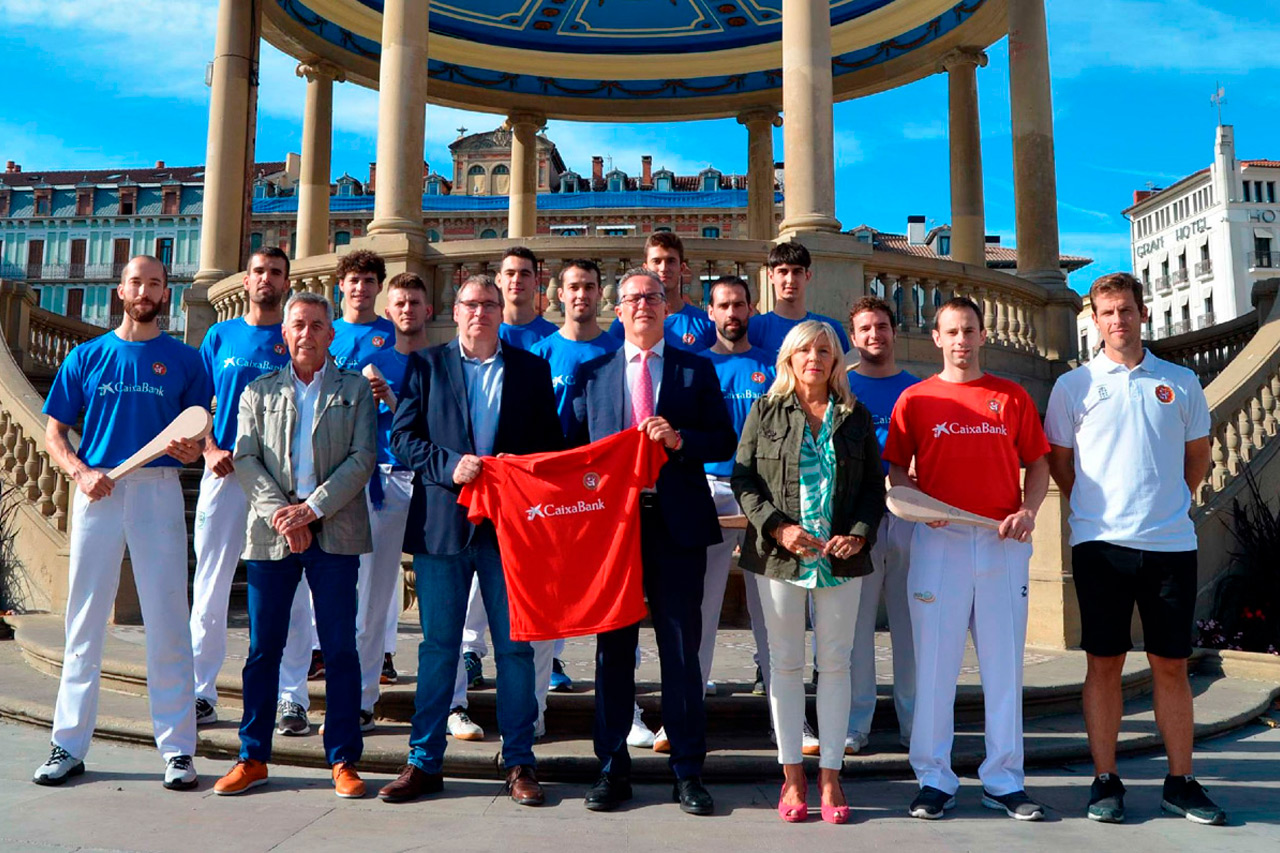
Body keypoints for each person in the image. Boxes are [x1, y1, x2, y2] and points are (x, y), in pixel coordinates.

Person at [1045, 272, 1224, 826]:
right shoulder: (1072, 387)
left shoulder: (1180, 381)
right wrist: (1102, 511)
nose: (1117, 321)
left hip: (1170, 543)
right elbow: (1061, 463)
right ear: (1093, 321)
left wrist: (1164, 504)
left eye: (1125, 310)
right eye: (1106, 313)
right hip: (1100, 547)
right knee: (1104, 663)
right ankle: (1105, 781)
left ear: (1142, 313)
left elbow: (1197, 456)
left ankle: (1181, 781)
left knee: (1171, 664)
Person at [378, 274, 563, 806]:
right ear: (453, 312)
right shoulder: (427, 365)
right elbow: (403, 438)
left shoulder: (531, 370)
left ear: (503, 311)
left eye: (489, 303)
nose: (480, 311)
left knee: (515, 650)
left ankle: (520, 761)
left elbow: (548, 451)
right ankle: (423, 762)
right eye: (470, 304)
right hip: (443, 528)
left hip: (509, 533)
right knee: (438, 648)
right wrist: (447, 466)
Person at [34, 255, 211, 790]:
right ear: (121, 290)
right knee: (84, 619)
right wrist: (81, 472)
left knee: (167, 620)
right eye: (136, 281)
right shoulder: (86, 357)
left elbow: (199, 439)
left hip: (157, 492)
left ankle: (178, 750)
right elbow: (54, 433)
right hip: (99, 492)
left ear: (165, 293)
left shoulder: (185, 360)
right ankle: (67, 744)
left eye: (154, 282)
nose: (144, 289)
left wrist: (189, 452)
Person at [569, 268, 737, 816]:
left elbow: (724, 437)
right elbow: (568, 454)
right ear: (617, 310)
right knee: (612, 653)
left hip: (677, 528)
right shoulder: (591, 374)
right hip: (611, 534)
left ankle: (688, 771)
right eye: (632, 297)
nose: (643, 304)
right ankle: (612, 769)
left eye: (653, 296)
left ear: (668, 306)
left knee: (680, 654)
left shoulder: (696, 370)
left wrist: (682, 439)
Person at [883, 297, 1049, 822]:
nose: (960, 340)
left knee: (1003, 667)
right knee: (934, 667)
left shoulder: (1011, 396)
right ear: (936, 337)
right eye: (951, 331)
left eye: (969, 330)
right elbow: (897, 472)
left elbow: (1038, 464)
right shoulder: (915, 398)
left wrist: (1029, 508)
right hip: (939, 543)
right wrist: (920, 507)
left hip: (1002, 542)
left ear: (982, 336)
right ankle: (934, 778)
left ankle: (1004, 780)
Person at [212, 291, 376, 799]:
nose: (306, 333)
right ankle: (252, 756)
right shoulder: (257, 392)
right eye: (297, 325)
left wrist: (312, 509)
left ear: (332, 334)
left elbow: (362, 457)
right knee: (264, 649)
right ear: (285, 334)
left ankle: (344, 758)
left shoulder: (355, 390)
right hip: (272, 532)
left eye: (316, 325)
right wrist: (286, 517)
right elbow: (245, 458)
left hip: (336, 528)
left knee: (341, 649)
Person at [732, 320, 884, 824]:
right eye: (804, 350)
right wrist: (778, 529)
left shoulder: (855, 416)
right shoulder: (765, 411)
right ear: (789, 359)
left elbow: (871, 487)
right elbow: (745, 478)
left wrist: (859, 532)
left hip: (841, 558)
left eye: (824, 350)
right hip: (781, 556)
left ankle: (831, 776)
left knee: (836, 664)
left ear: (837, 360)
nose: (814, 358)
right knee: (786, 664)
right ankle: (792, 775)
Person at [188, 247, 311, 732]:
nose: (266, 280)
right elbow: (195, 405)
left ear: (286, 283)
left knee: (292, 591)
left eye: (276, 273)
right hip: (226, 474)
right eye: (258, 272)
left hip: (283, 484)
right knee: (212, 585)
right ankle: (200, 692)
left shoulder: (295, 337)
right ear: (245, 282)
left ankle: (291, 697)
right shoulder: (220, 335)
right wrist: (208, 448)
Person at [529, 258, 625, 701]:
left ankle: (620, 697)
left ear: (600, 292)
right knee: (546, 590)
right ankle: (541, 688)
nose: (582, 295)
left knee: (609, 593)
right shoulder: (539, 354)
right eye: (574, 287)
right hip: (548, 489)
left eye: (589, 286)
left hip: (600, 489)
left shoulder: (617, 353)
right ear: (558, 294)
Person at [356, 272, 433, 731]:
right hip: (383, 483)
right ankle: (364, 697)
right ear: (389, 313)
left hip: (432, 484)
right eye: (400, 303)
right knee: (372, 598)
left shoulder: (443, 363)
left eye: (415, 302)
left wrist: (393, 397)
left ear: (428, 310)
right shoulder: (372, 360)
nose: (407, 310)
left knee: (447, 601)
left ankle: (454, 699)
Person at [844, 296, 920, 754]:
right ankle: (858, 723)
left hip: (909, 518)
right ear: (853, 338)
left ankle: (915, 725)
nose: (875, 335)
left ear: (895, 331)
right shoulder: (841, 388)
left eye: (882, 326)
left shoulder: (917, 390)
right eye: (866, 328)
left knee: (911, 626)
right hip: (856, 522)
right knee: (856, 628)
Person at [696, 275, 774, 702]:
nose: (731, 313)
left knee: (771, 609)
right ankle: (687, 707)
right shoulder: (694, 367)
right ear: (710, 312)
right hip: (707, 488)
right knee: (703, 606)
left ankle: (785, 711)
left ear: (750, 309)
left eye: (739, 305)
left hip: (760, 491)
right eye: (723, 305)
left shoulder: (772, 366)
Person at [608, 231, 716, 352]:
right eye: (656, 261)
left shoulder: (705, 324)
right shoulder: (624, 324)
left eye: (671, 261)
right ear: (646, 268)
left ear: (682, 268)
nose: (664, 268)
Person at [747, 241, 851, 358]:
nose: (790, 280)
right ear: (771, 276)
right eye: (783, 272)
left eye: (797, 272)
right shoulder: (753, 328)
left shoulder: (832, 329)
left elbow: (843, 373)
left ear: (807, 276)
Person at [330, 248, 396, 371]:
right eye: (354, 281)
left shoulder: (394, 334)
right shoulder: (326, 333)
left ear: (380, 287)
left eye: (369, 281)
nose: (360, 288)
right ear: (342, 285)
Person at [498, 246, 558, 348]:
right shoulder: (486, 334)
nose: (516, 280)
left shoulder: (553, 337)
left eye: (524, 274)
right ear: (499, 280)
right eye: (510, 273)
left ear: (535, 282)